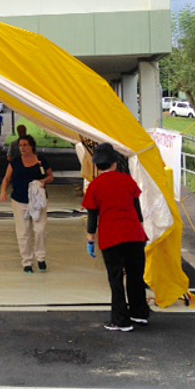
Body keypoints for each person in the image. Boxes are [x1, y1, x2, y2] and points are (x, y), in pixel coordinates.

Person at [82, 142, 149, 332]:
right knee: (136, 276)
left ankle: (121, 320)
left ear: (97, 165)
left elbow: (92, 214)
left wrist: (90, 238)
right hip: (134, 234)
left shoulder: (95, 186)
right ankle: (140, 313)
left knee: (116, 277)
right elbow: (137, 209)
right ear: (115, 163)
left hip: (111, 236)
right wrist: (141, 230)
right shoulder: (128, 181)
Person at [0, 135, 54, 273]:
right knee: (23, 232)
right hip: (19, 200)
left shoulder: (41, 161)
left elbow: (51, 176)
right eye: (20, 145)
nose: (22, 148)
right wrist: (3, 192)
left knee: (40, 230)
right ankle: (27, 262)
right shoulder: (15, 162)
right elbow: (7, 178)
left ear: (31, 146)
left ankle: (41, 257)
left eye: (25, 145)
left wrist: (43, 182)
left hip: (38, 201)